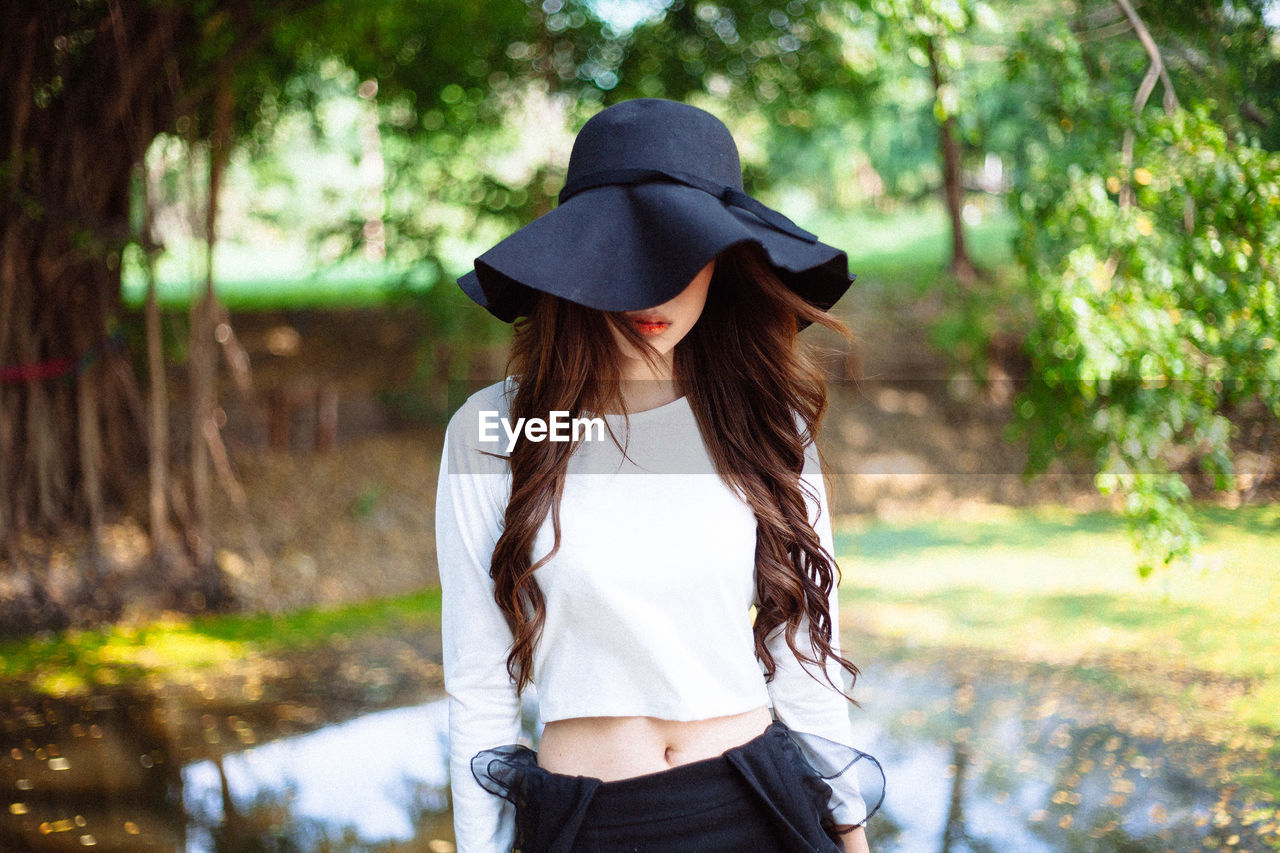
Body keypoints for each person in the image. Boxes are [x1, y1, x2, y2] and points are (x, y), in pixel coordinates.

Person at [436, 98, 884, 853]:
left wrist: (853, 840)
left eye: (684, 253)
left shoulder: (765, 421)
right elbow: (478, 692)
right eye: (629, 255)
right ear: (579, 257)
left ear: (726, 258)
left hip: (757, 810)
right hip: (588, 825)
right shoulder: (493, 433)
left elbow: (804, 663)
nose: (655, 290)